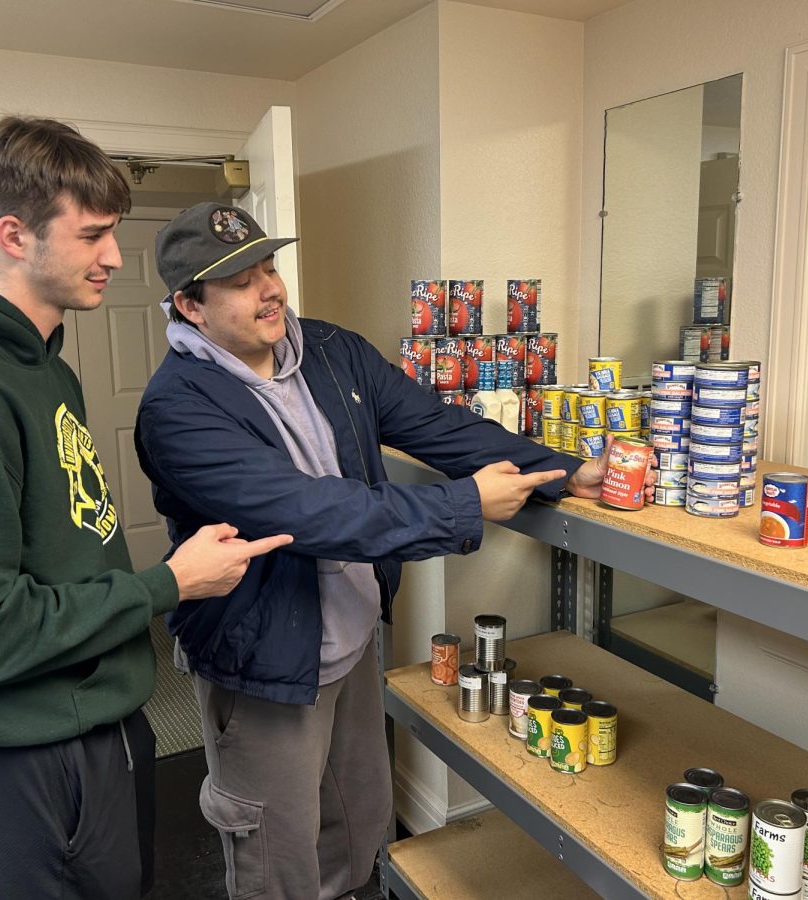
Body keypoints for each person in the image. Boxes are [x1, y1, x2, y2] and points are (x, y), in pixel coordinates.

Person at [134, 201, 635, 900]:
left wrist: (560, 469)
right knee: (277, 863)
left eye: (269, 266)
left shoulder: (334, 353)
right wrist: (463, 505)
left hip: (351, 643)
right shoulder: (178, 409)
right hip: (263, 664)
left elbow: (438, 428)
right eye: (242, 280)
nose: (271, 288)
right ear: (190, 305)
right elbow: (308, 513)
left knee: (356, 825)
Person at [0, 117, 292, 900]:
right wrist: (168, 585)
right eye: (92, 236)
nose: (116, 258)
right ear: (14, 235)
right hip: (14, 759)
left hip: (99, 725)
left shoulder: (45, 368)